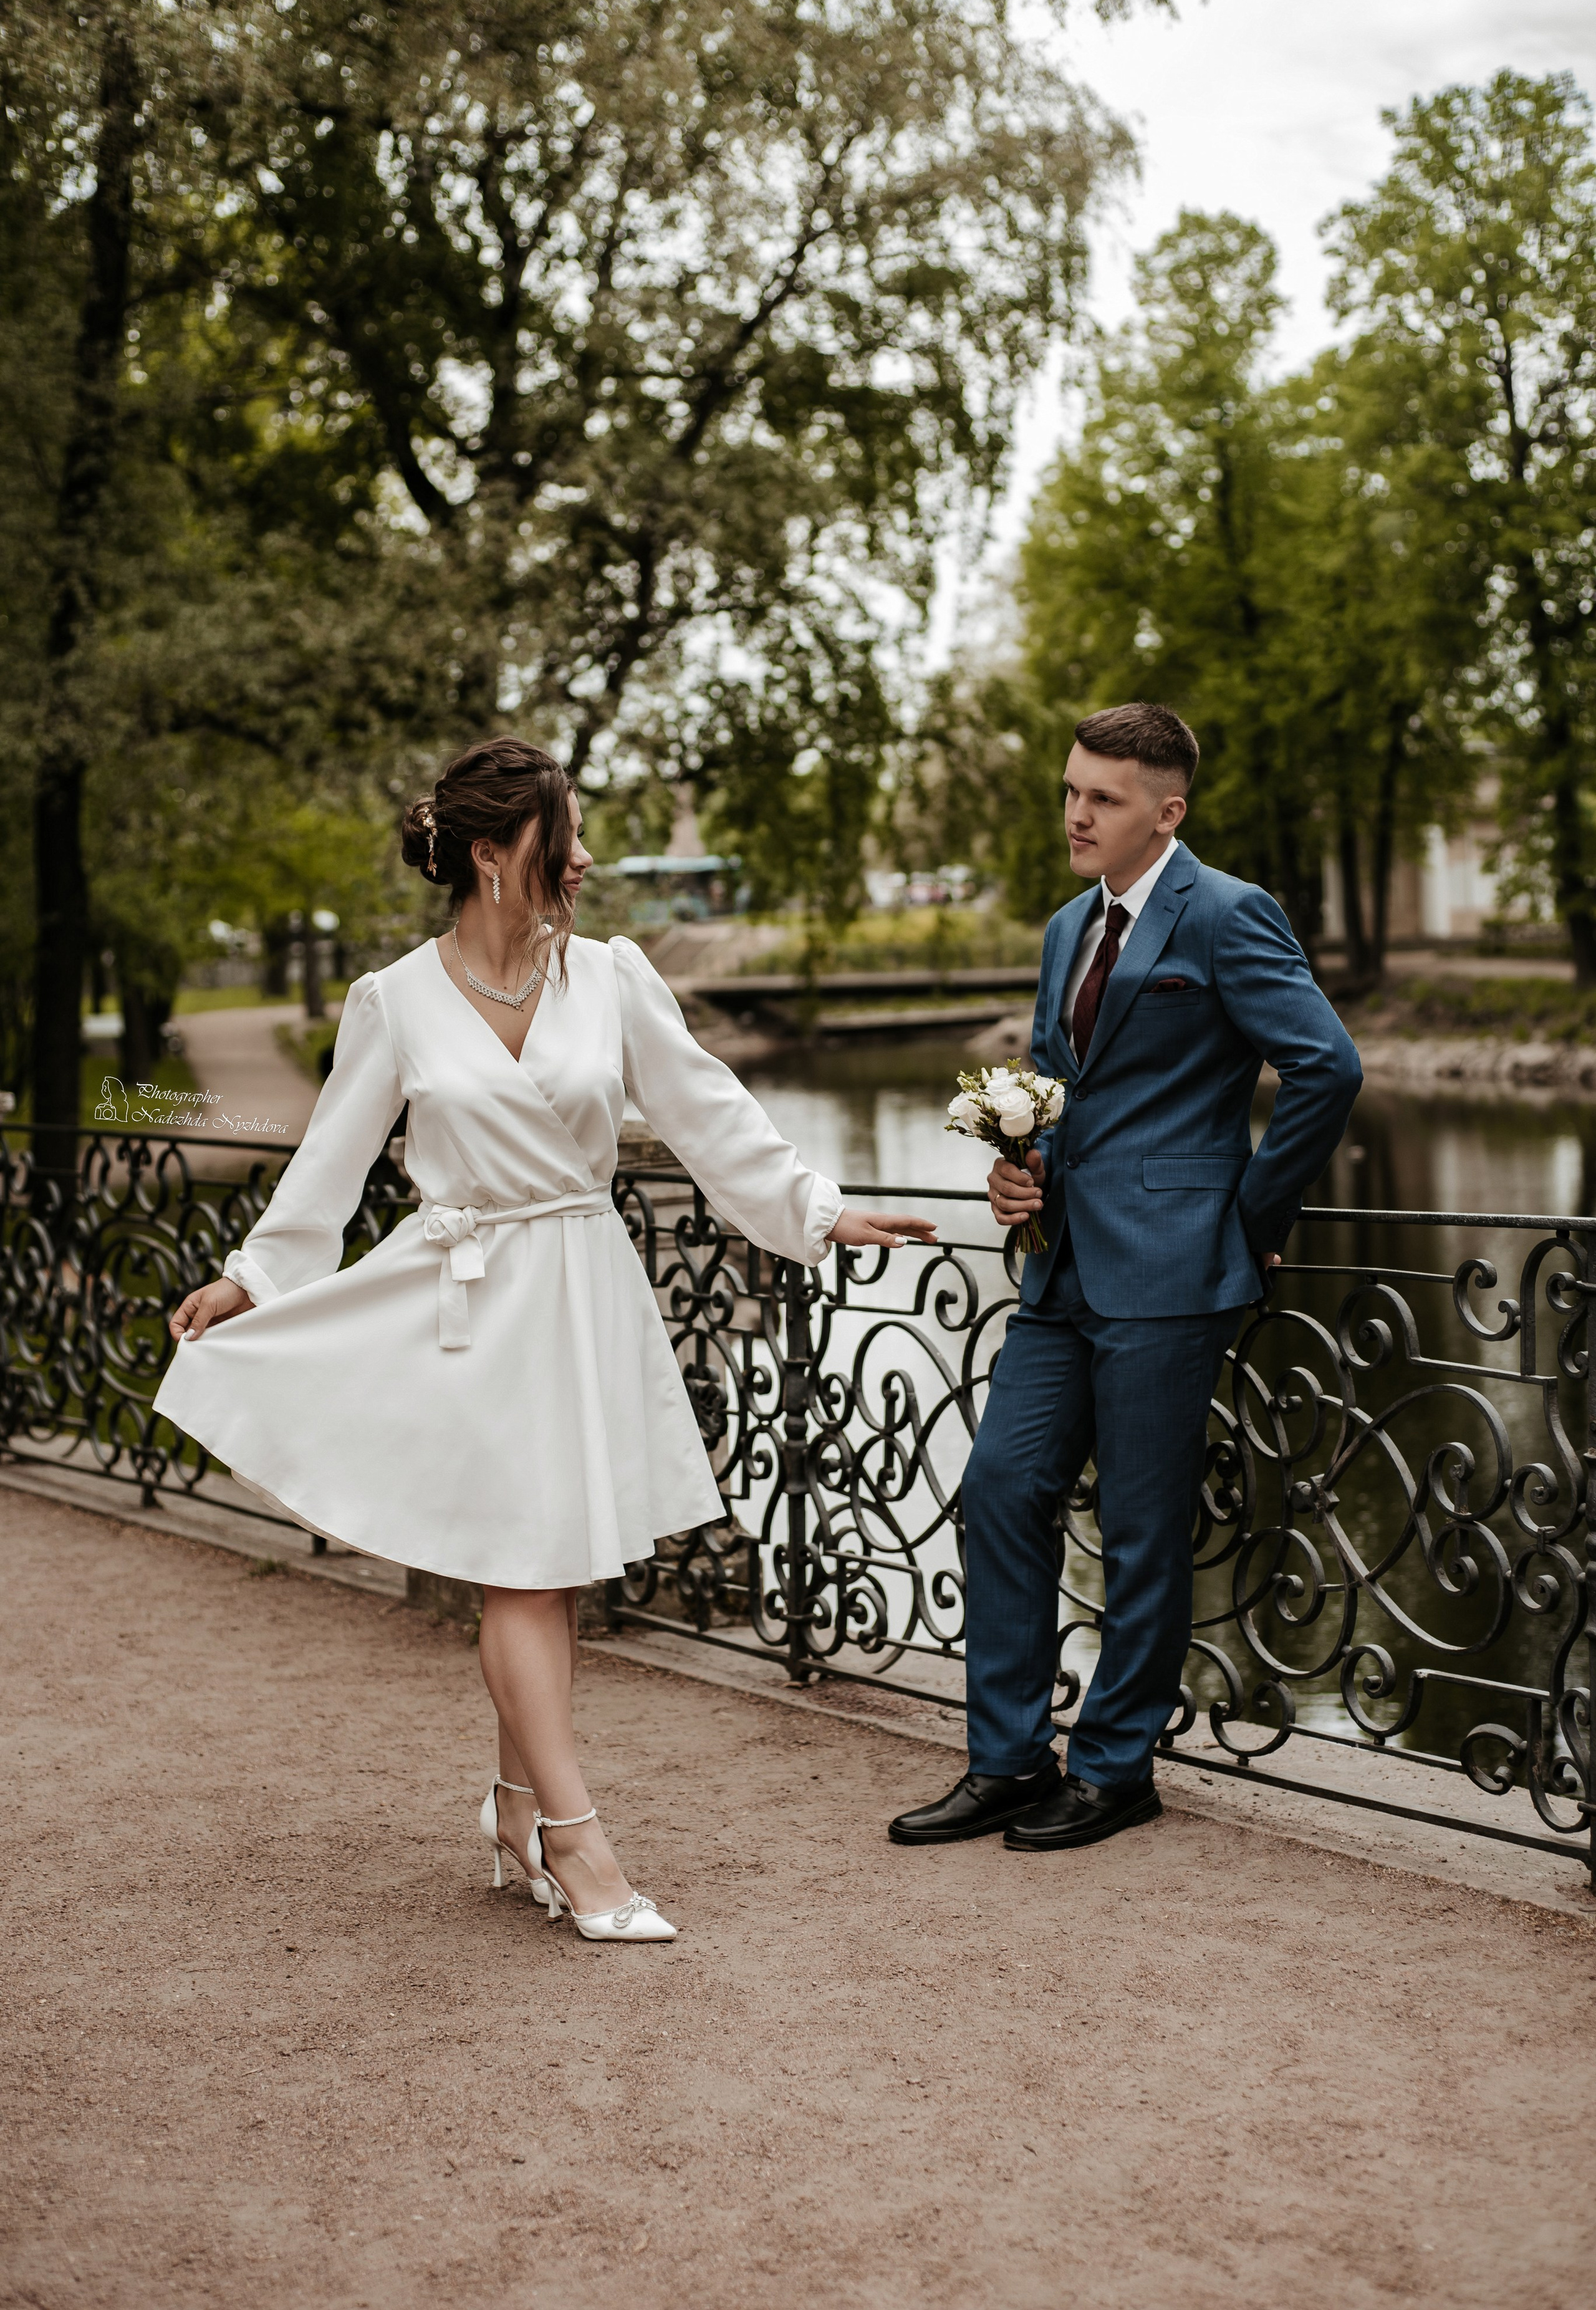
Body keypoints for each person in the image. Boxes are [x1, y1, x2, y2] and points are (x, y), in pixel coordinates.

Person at [158, 738, 933, 1942]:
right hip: (464, 1306)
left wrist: (824, 1213)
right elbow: (330, 1167)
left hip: (581, 1291)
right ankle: (580, 1847)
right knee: (521, 1572)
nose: (585, 857)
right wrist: (254, 1278)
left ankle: (516, 1810)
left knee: (553, 1569)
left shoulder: (613, 977)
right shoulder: (394, 1000)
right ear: (488, 854)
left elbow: (708, 1116)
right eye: (560, 836)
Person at [888, 703, 1361, 1854]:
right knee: (1002, 1489)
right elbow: (1056, 1086)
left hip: (1173, 1274)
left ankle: (1113, 1769)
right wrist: (1022, 1173)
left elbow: (1326, 1068)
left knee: (1145, 1530)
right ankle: (1005, 1761)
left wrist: (1244, 1223)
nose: (1076, 813)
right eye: (1070, 791)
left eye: (1102, 797)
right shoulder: (1066, 929)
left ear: (1168, 809)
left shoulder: (1229, 914)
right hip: (1061, 1273)